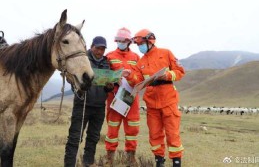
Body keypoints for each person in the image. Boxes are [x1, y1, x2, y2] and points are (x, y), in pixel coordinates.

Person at [122, 29, 185, 167]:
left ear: (150, 41)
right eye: (138, 45)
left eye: (141, 43)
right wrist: (129, 75)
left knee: (172, 133)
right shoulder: (141, 62)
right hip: (151, 102)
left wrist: (167, 75)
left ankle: (176, 162)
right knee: (154, 135)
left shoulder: (166, 53)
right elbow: (137, 81)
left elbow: (180, 71)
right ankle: (159, 162)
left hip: (168, 100)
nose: (139, 47)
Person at [64, 36, 114, 167]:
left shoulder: (106, 62)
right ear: (92, 46)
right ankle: (69, 164)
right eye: (98, 48)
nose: (100, 51)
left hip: (99, 107)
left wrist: (109, 86)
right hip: (83, 104)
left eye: (103, 49)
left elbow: (107, 86)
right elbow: (71, 76)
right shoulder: (82, 59)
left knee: (93, 138)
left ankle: (88, 163)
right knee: (75, 138)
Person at [104, 27, 140, 167]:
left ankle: (131, 158)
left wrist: (130, 76)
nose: (119, 42)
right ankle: (109, 157)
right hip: (114, 98)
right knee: (112, 128)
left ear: (128, 41)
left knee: (133, 129)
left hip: (132, 99)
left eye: (122, 40)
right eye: (117, 40)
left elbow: (140, 78)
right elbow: (105, 77)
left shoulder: (136, 57)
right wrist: (114, 79)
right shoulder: (110, 56)